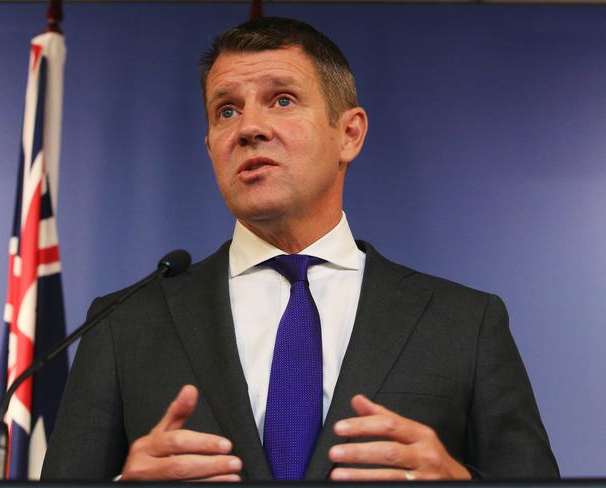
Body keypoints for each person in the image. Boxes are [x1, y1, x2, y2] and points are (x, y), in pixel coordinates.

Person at [42, 17, 559, 481]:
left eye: (282, 100)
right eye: (226, 111)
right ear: (210, 148)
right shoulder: (121, 324)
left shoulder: (465, 323)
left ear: (349, 134)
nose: (249, 128)